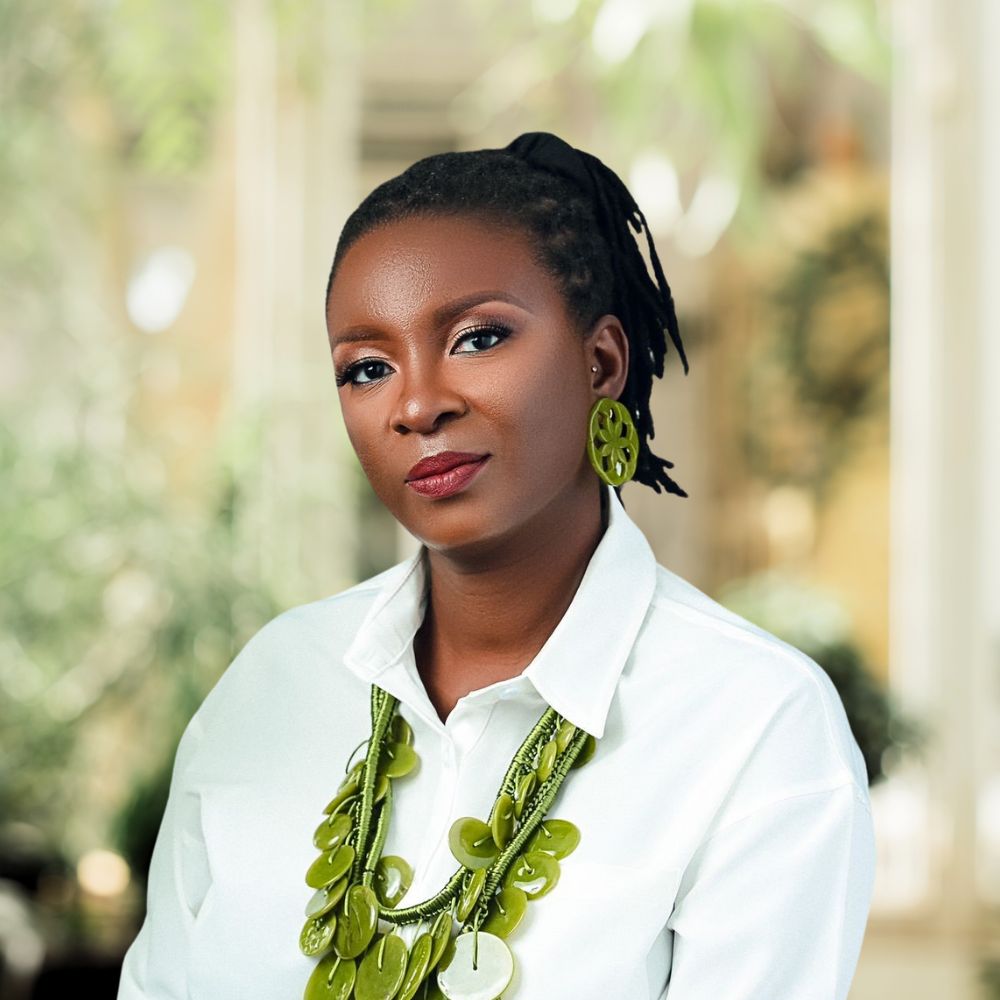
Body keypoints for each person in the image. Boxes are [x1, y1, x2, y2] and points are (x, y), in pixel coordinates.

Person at [116, 132, 876, 1000]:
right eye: (366, 368)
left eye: (477, 338)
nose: (416, 403)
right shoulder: (272, 684)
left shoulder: (755, 727)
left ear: (602, 361)